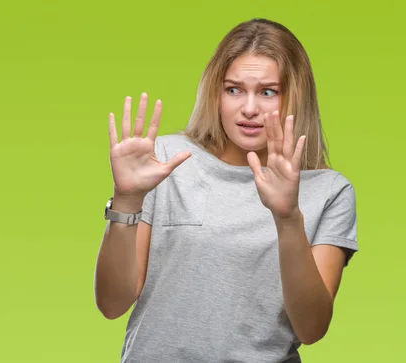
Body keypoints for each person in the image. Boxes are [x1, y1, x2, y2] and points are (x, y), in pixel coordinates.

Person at [93, 18, 358, 363]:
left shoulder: (329, 191)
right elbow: (112, 304)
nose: (249, 108)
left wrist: (288, 218)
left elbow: (312, 328)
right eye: (233, 89)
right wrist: (127, 200)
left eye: (268, 91)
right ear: (215, 93)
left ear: (296, 96)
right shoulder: (164, 162)